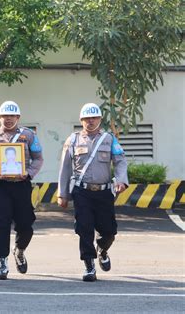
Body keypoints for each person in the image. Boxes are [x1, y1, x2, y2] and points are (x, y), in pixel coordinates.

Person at [57, 103, 128, 282]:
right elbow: (65, 168)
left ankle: (102, 249)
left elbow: (120, 161)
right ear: (81, 120)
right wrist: (62, 194)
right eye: (87, 118)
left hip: (104, 192)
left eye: (94, 118)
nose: (90, 121)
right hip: (82, 192)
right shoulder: (72, 140)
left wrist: (121, 180)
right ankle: (89, 265)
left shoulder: (109, 139)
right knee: (84, 228)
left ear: (99, 119)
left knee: (109, 232)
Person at [0, 100, 43, 280]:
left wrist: (28, 173)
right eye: (5, 116)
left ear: (18, 117)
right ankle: (2, 262)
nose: (8, 119)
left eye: (12, 116)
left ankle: (19, 251)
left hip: (22, 184)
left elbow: (38, 159)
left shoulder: (29, 136)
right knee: (1, 224)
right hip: (0, 185)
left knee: (26, 225)